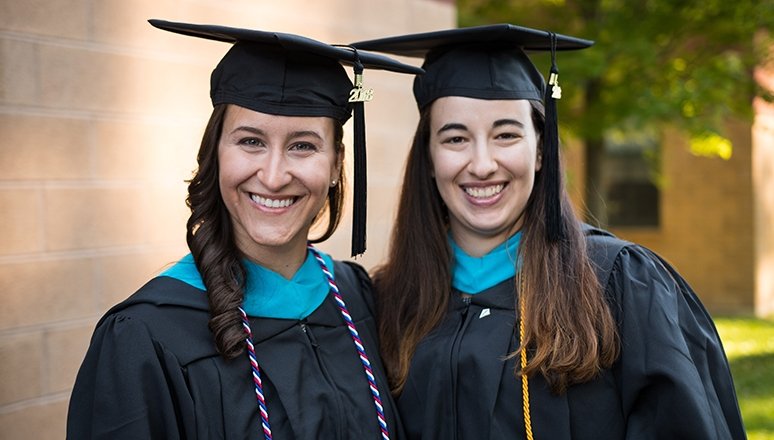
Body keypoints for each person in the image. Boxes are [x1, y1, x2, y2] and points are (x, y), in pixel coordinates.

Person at [353, 24, 747, 439]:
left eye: (506, 134)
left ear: (541, 149)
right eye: (455, 138)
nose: (483, 163)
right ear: (429, 159)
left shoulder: (618, 283)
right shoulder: (392, 302)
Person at [67, 19, 421, 439]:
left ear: (336, 165)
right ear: (216, 153)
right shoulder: (145, 337)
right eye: (251, 141)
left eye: (303, 145)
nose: (273, 177)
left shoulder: (356, 296)